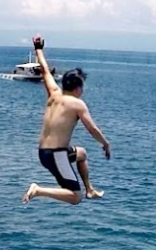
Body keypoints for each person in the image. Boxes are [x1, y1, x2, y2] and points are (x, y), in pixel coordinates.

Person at [21, 34, 112, 205]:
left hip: (44, 152)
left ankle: (90, 190)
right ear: (78, 88)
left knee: (82, 154)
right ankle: (38, 190)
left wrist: (38, 48)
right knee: (75, 197)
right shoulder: (77, 104)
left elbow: (45, 70)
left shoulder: (54, 93)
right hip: (55, 154)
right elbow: (92, 129)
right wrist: (105, 144)